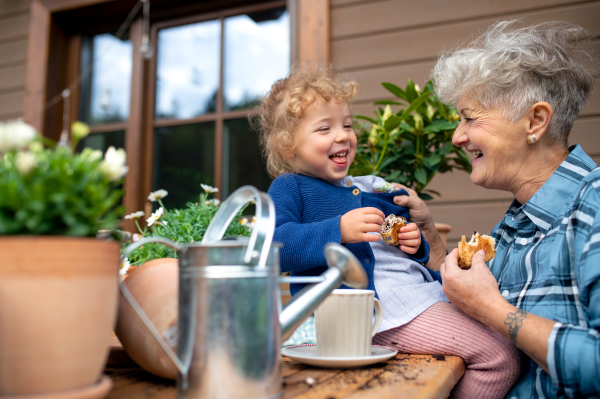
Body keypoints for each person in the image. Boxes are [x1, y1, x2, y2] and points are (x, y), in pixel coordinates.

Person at [253, 64, 521, 399]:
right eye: (324, 129)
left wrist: (414, 242)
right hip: (376, 311)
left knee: (499, 345)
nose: (342, 135)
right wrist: (337, 230)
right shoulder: (289, 188)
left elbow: (405, 242)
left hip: (418, 298)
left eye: (347, 125)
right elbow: (274, 249)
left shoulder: (373, 186)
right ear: (288, 144)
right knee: (499, 356)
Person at [392, 21, 600, 398]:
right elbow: (469, 308)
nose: (457, 136)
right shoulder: (516, 222)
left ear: (535, 121)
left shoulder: (594, 206)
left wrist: (494, 310)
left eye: (469, 117)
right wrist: (433, 245)